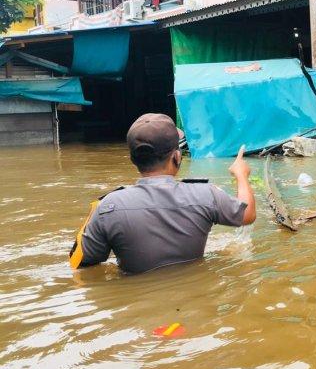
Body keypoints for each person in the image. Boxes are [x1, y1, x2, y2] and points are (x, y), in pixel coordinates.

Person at [69, 113, 256, 274]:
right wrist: (241, 174)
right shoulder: (205, 195)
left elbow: (82, 265)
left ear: (133, 159)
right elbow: (247, 215)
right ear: (176, 156)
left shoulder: (107, 207)